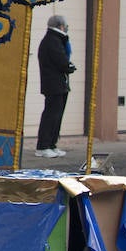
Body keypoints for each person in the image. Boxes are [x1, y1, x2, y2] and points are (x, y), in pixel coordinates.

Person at [34, 14, 75, 158]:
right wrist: (69, 66)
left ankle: (52, 144)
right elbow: (61, 61)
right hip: (54, 85)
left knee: (57, 116)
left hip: (59, 84)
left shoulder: (57, 40)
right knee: (51, 115)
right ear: (60, 26)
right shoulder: (52, 40)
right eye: (65, 25)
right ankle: (43, 146)